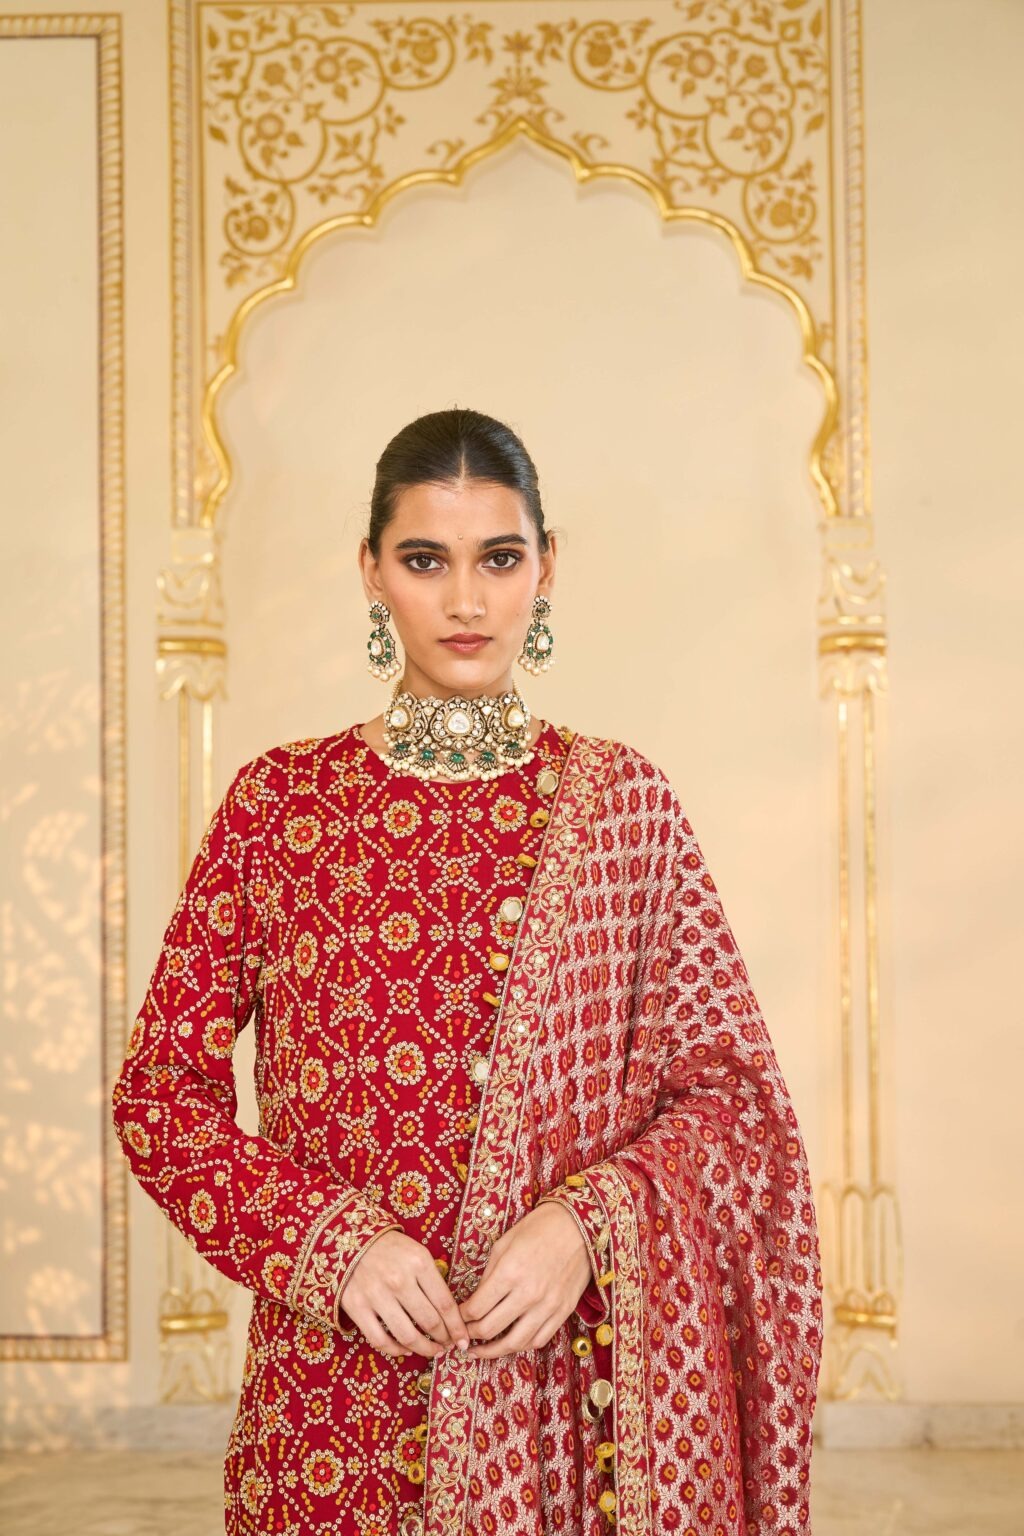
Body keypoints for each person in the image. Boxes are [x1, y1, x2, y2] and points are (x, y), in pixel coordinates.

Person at [112, 407, 822, 1536]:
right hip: (335, 1398)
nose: (465, 601)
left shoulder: (624, 808)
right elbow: (160, 1097)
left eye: (498, 559)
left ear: (546, 567)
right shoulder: (280, 807)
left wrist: (584, 1227)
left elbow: (732, 1106)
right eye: (424, 560)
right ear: (370, 572)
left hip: (559, 1394)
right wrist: (328, 1245)